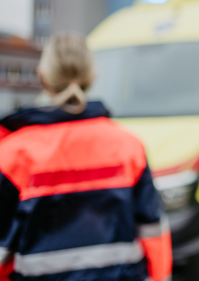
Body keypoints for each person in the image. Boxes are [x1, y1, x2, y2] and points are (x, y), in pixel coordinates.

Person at [0, 33, 172, 281]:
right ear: (92, 77)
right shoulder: (128, 147)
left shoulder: (13, 154)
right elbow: (153, 233)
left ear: (42, 77)